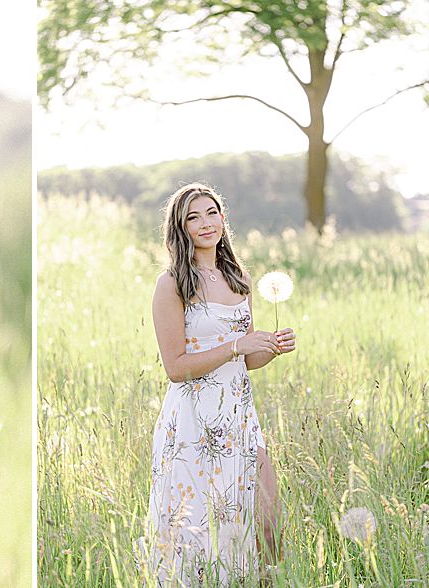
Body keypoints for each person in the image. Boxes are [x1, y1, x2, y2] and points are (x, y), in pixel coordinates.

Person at [146, 183, 296, 584]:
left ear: (223, 218)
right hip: (193, 423)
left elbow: (247, 361)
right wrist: (235, 345)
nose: (205, 223)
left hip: (240, 416)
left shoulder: (239, 277)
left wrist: (271, 347)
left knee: (266, 520)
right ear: (181, 228)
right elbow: (175, 368)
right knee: (198, 532)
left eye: (211, 213)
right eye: (193, 217)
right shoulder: (172, 284)